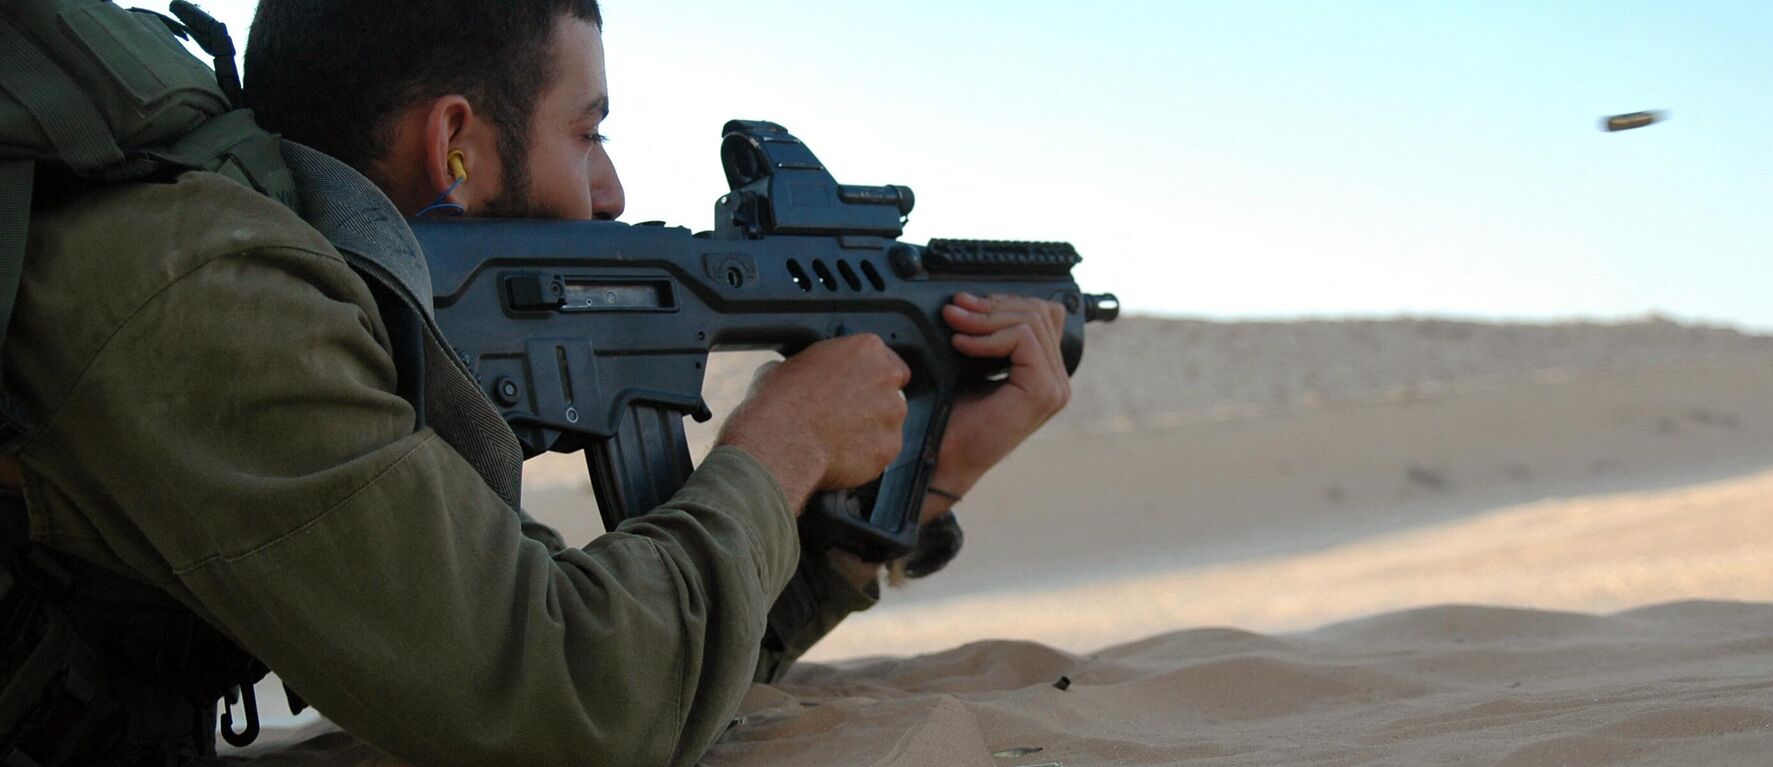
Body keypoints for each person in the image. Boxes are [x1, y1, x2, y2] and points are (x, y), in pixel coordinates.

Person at [0, 0, 1069, 764]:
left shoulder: (305, 301)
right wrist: (782, 444)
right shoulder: (212, 296)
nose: (612, 190)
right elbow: (569, 705)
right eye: (588, 131)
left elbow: (648, 667)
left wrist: (900, 501)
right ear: (455, 145)